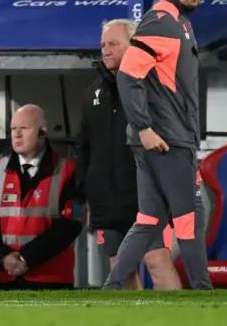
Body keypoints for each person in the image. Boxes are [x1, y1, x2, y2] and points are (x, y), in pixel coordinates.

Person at [103, 0, 213, 290]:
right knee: (188, 220)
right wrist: (145, 127)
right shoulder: (163, 19)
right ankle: (204, 293)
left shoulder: (177, 21)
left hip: (161, 136)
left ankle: (112, 288)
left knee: (149, 220)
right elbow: (128, 75)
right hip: (166, 138)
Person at [77, 19, 182, 290]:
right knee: (120, 269)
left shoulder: (153, 87)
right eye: (103, 44)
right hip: (107, 200)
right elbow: (84, 146)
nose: (105, 50)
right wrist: (85, 185)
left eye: (113, 43)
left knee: (157, 260)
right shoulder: (93, 93)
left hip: (144, 194)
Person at [0, 104, 82, 290]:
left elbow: (72, 223)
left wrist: (27, 257)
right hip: (3, 277)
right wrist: (2, 258)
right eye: (13, 129)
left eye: (23, 128)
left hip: (52, 279)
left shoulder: (68, 171)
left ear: (42, 132)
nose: (16, 135)